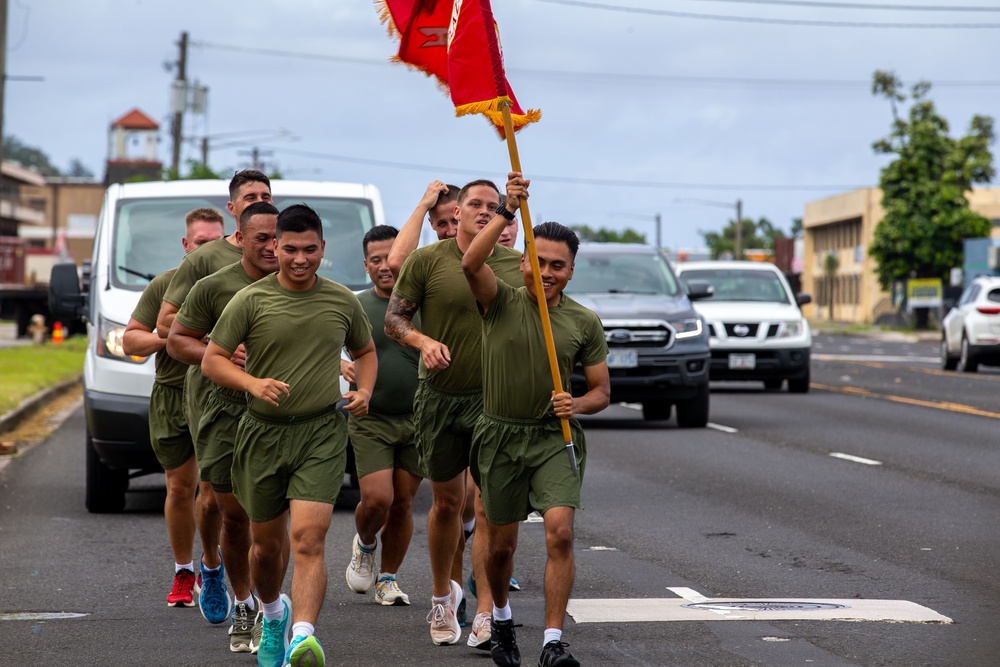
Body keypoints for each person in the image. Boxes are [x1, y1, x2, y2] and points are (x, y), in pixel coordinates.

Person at [202, 204, 376, 667]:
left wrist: (365, 390)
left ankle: (303, 636)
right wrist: (252, 384)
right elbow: (212, 359)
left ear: (324, 249)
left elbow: (366, 351)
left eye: (311, 250)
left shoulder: (342, 300)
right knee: (265, 549)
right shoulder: (251, 300)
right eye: (291, 249)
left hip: (320, 433)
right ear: (275, 247)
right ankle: (273, 613)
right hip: (262, 435)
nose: (301, 259)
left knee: (308, 540)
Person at [461, 172, 610, 667]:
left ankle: (552, 641)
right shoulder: (498, 300)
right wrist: (507, 208)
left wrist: (578, 403)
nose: (547, 273)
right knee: (500, 547)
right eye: (539, 262)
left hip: (555, 438)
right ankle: (500, 619)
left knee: (560, 532)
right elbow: (470, 261)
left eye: (558, 266)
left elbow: (602, 393)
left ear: (571, 271)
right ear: (524, 260)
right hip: (500, 435)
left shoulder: (584, 321)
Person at [385, 179, 523, 647]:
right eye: (476, 205)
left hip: (495, 401)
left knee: (488, 507)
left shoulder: (512, 265)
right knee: (447, 503)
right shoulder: (427, 261)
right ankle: (443, 596)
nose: (485, 212)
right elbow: (394, 320)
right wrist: (423, 342)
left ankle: (485, 613)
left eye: (493, 206)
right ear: (457, 211)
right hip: (439, 398)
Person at [155, 169, 273, 627]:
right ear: (233, 209)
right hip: (211, 395)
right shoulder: (206, 262)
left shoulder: (284, 255)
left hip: (269, 400)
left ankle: (261, 598)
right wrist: (218, 348)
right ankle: (210, 562)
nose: (256, 200)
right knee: (211, 497)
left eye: (265, 195)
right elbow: (168, 327)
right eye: (249, 196)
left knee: (257, 505)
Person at [121, 208, 225, 608]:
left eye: (217, 242)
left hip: (218, 394)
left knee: (216, 491)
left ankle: (213, 566)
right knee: (180, 487)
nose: (209, 250)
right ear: (186, 246)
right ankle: (185, 570)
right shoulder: (167, 285)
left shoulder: (233, 285)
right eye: (202, 243)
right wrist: (175, 341)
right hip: (172, 393)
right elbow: (131, 340)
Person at [342, 225, 424, 607]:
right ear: (366, 265)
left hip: (419, 418)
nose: (386, 266)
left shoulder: (425, 304)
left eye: (392, 258)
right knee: (377, 499)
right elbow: (322, 343)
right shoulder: (354, 304)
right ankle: (366, 543)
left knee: (403, 503)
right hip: (371, 416)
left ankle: (388, 579)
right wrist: (340, 365)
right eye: (376, 259)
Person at [386, 180, 459, 276]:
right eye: (442, 224)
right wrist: (423, 205)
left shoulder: (483, 256)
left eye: (456, 221)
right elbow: (396, 263)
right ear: (431, 223)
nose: (451, 232)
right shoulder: (428, 265)